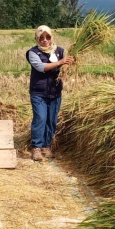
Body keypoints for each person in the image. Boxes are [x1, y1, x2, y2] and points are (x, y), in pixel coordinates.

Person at [26, 25, 74, 162]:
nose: (45, 40)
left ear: (51, 37)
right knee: (40, 118)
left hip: (55, 92)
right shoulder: (33, 53)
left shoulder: (59, 51)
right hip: (39, 92)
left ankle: (46, 146)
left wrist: (70, 63)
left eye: (47, 37)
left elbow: (64, 66)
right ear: (37, 39)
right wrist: (60, 62)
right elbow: (41, 67)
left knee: (51, 120)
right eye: (41, 38)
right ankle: (36, 147)